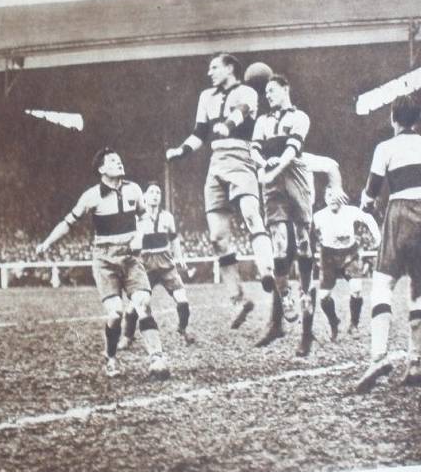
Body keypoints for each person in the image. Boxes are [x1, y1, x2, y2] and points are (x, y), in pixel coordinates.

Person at [355, 94, 421, 393]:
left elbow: (371, 191)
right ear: (417, 119)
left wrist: (366, 206)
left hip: (400, 212)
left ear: (393, 118)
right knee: (417, 289)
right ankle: (415, 363)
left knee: (382, 285)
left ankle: (379, 357)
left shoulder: (386, 148)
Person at [166, 53, 277, 331]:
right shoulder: (206, 96)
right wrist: (181, 150)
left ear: (230, 68)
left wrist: (226, 125)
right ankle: (238, 299)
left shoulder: (249, 92)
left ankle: (267, 271)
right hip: (216, 162)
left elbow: (240, 112)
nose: (209, 72)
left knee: (252, 214)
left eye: (214, 67)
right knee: (217, 237)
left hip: (241, 159)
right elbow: (200, 132)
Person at [37, 148, 169, 379]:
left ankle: (157, 357)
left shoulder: (134, 189)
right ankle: (110, 358)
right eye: (112, 161)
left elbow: (145, 217)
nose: (119, 162)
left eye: (120, 159)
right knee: (116, 312)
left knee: (143, 302)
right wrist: (47, 243)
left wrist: (140, 236)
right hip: (104, 259)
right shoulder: (91, 196)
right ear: (101, 169)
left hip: (130, 257)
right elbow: (68, 223)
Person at [250, 73, 345, 356]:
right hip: (274, 186)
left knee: (304, 248)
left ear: (285, 89)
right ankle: (284, 306)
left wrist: (272, 170)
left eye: (272, 89)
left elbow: (295, 151)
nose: (268, 94)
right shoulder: (263, 122)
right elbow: (253, 149)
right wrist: (262, 163)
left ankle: (305, 328)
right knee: (279, 245)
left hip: (295, 185)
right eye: (265, 91)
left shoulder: (299, 118)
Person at [122, 182, 194, 347]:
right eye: (152, 192)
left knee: (183, 300)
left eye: (158, 192)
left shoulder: (167, 217)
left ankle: (183, 330)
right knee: (135, 305)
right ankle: (127, 337)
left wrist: (180, 257)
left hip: (166, 264)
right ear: (145, 196)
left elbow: (174, 239)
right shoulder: (136, 218)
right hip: (144, 264)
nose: (155, 195)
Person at [314, 187, 382, 339]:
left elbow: (369, 219)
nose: (332, 198)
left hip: (349, 254)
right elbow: (306, 229)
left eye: (335, 195)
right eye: (329, 195)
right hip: (328, 257)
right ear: (325, 198)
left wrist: (377, 237)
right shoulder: (319, 217)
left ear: (342, 197)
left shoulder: (351, 211)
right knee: (324, 296)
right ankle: (334, 322)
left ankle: (354, 325)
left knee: (356, 289)